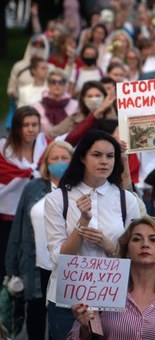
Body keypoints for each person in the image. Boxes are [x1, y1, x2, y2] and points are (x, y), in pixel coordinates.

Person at [44, 130, 142, 340]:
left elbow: (137, 255)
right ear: (82, 157)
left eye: (110, 156)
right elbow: (58, 258)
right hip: (68, 303)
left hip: (114, 300)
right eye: (96, 155)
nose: (104, 161)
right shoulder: (57, 199)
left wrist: (109, 245)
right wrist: (82, 222)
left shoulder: (127, 200)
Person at [67, 217, 155, 339]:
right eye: (137, 239)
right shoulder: (103, 291)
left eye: (153, 240)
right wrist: (84, 329)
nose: (145, 244)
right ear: (127, 251)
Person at [5, 141, 73, 340]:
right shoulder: (32, 188)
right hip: (35, 265)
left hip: (66, 266)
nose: (60, 162)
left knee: (60, 320)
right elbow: (18, 227)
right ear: (46, 162)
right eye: (55, 158)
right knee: (34, 315)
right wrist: (11, 269)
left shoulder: (80, 189)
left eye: (64, 158)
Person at [0, 106, 48, 282]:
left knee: (32, 263)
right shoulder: (3, 151)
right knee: (6, 261)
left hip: (37, 216)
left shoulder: (46, 147)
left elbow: (71, 137)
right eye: (25, 125)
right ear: (17, 127)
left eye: (34, 124)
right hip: (8, 217)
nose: (30, 129)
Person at [33, 69, 79, 138]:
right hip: (45, 145)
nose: (57, 84)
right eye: (53, 82)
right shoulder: (37, 106)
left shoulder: (76, 105)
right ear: (48, 84)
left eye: (61, 82)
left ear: (65, 85)